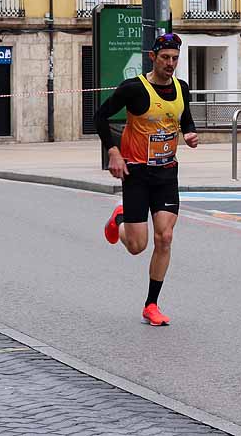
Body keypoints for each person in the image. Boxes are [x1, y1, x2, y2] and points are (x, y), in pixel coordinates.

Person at [94, 33, 199, 327]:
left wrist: (190, 133)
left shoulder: (182, 89)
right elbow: (100, 116)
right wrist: (113, 151)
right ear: (153, 57)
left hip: (166, 172)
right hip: (137, 173)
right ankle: (120, 220)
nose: (170, 64)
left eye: (175, 58)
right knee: (137, 246)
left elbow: (184, 117)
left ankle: (151, 305)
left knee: (165, 237)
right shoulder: (134, 89)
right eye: (165, 58)